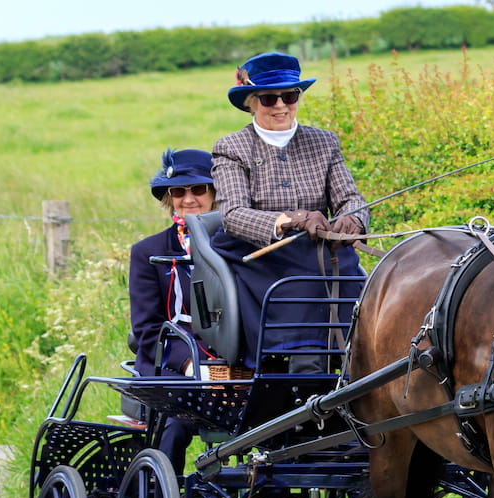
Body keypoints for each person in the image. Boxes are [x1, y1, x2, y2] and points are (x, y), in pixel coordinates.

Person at [210, 51, 369, 373]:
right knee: (304, 280)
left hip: (319, 245)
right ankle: (307, 366)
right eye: (269, 99)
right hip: (261, 252)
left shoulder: (324, 142)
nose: (281, 106)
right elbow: (233, 214)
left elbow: (350, 197)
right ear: (251, 103)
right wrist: (291, 219)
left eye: (290, 96)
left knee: (349, 269)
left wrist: (352, 219)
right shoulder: (231, 147)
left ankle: (361, 357)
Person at [129, 147, 216, 470]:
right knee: (175, 421)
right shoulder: (147, 252)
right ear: (169, 198)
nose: (188, 199)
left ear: (214, 193)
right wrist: (189, 362)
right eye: (179, 192)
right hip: (170, 362)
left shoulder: (237, 247)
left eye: (198, 189)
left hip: (229, 360)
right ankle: (164, 492)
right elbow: (147, 328)